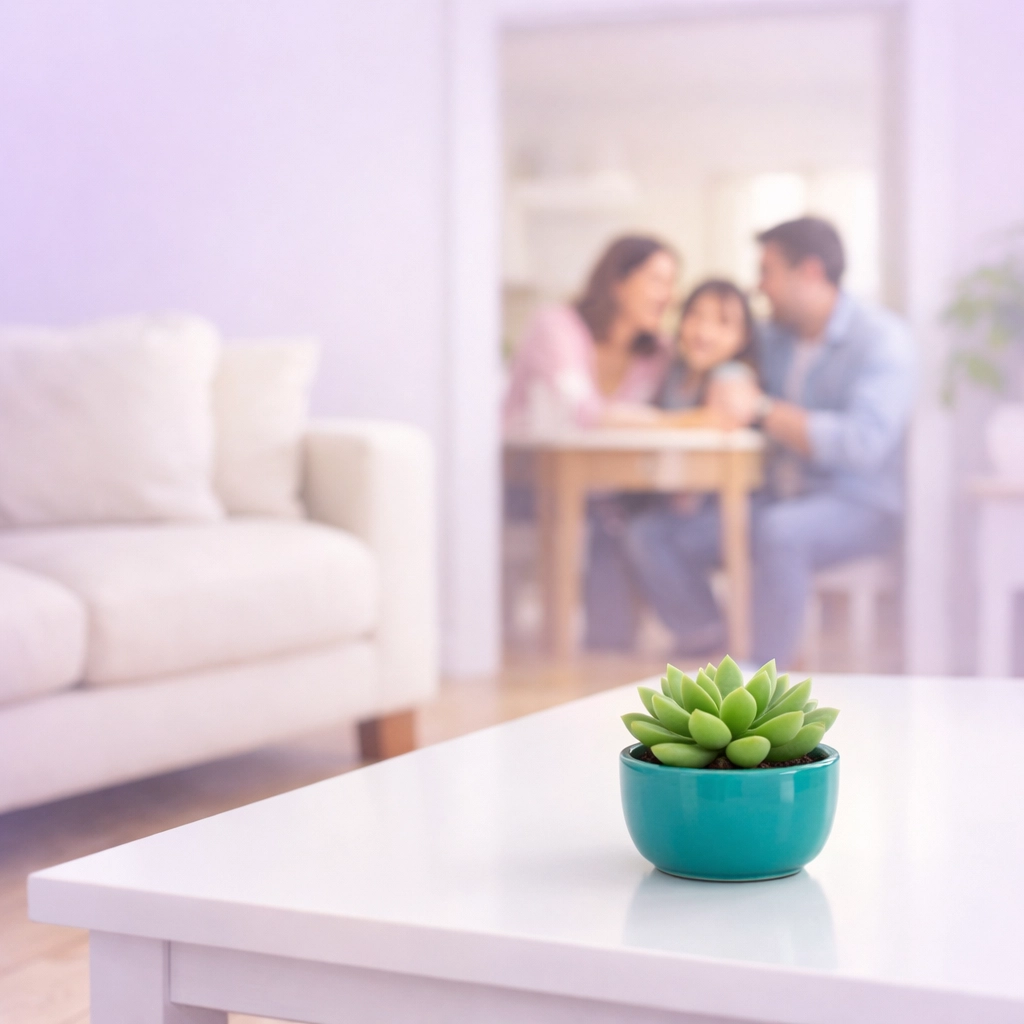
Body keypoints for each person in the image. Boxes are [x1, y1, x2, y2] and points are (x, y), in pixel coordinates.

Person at [626, 217, 916, 665]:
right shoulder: (774, 339)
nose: (759, 287)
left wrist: (762, 409)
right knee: (654, 533)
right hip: (778, 498)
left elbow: (863, 442)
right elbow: (716, 336)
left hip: (859, 505)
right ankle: (713, 639)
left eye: (768, 272)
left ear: (811, 273)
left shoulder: (882, 341)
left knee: (780, 532)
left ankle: (759, 678)